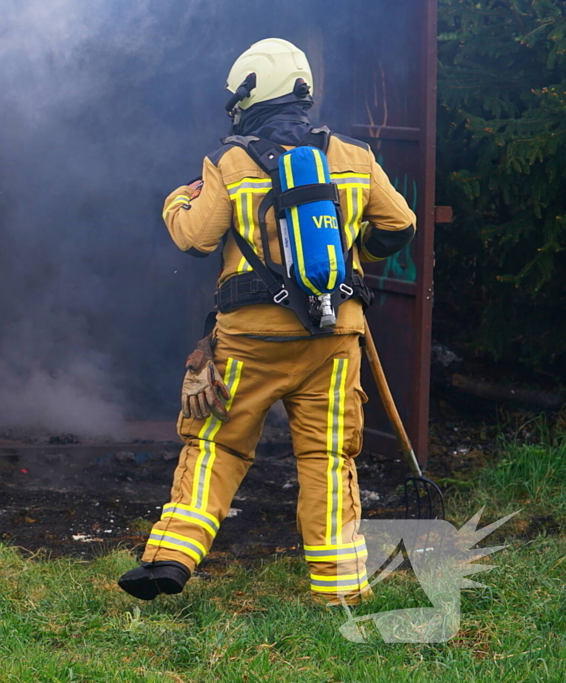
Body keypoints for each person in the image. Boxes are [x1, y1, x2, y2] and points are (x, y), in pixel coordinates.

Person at [118, 39, 416, 605]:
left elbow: (196, 240)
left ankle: (170, 559)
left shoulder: (231, 163)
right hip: (333, 338)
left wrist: (174, 203)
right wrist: (349, 258)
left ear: (250, 94)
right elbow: (400, 224)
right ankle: (341, 590)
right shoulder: (354, 158)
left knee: (217, 447)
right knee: (327, 458)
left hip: (249, 341)